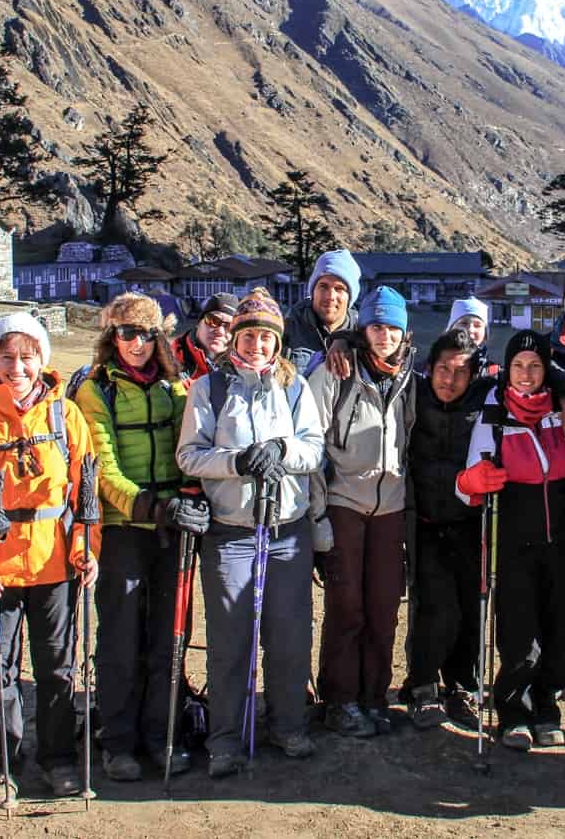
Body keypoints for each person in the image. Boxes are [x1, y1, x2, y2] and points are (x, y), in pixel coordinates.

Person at [0, 312, 99, 808]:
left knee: (57, 668)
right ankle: (2, 766)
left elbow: (85, 494)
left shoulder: (65, 416)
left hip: (55, 564)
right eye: (7, 357)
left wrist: (85, 550)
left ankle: (58, 759)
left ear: (41, 361)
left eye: (27, 357)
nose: (17, 368)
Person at [176, 288, 328, 778]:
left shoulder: (295, 388)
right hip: (232, 531)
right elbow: (191, 455)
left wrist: (281, 452)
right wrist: (237, 462)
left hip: (287, 531)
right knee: (230, 637)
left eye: (267, 336)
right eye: (249, 335)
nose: (258, 344)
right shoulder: (209, 389)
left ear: (277, 341)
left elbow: (314, 450)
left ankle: (287, 724)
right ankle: (226, 736)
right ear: (234, 338)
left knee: (288, 635)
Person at [73, 293, 212, 782]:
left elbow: (189, 449)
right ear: (112, 337)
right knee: (120, 637)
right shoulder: (95, 392)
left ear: (160, 338)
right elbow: (102, 470)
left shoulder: (177, 389)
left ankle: (161, 734)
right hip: (124, 528)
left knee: (167, 639)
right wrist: (155, 505)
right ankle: (117, 740)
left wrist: (190, 495)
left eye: (146, 334)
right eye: (127, 333)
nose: (136, 343)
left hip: (172, 530)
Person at [455, 329, 565, 751]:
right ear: (506, 370)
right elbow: (466, 485)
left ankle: (547, 705)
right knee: (518, 629)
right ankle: (514, 711)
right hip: (514, 536)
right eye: (518, 366)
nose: (527, 374)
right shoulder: (493, 415)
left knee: (562, 627)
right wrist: (472, 480)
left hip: (564, 534)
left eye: (535, 366)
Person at [308, 286, 417, 738]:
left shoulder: (412, 376)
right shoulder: (336, 372)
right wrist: (317, 516)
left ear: (404, 331)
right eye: (376, 326)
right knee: (346, 606)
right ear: (363, 327)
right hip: (344, 503)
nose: (385, 335)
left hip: (391, 506)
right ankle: (340, 700)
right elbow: (311, 445)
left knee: (384, 607)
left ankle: (374, 697)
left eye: (393, 327)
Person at [404, 328, 489, 732]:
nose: (449, 379)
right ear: (430, 367)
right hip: (425, 523)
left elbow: (541, 371)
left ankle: (463, 687)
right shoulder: (413, 393)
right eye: (442, 368)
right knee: (437, 610)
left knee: (471, 611)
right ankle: (422, 686)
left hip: (470, 524)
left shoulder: (485, 397)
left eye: (460, 371)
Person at [283, 249, 360, 370]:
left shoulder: (364, 333)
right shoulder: (288, 328)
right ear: (312, 291)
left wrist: (347, 338)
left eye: (339, 289)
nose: (330, 296)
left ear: (350, 297)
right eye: (323, 286)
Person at [169, 292, 238, 380]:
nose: (220, 331)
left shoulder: (241, 367)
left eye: (230, 326)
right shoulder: (171, 359)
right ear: (199, 323)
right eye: (213, 321)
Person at [447, 297, 497, 377]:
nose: (470, 330)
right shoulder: (432, 369)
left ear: (485, 335)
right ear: (450, 330)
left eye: (477, 325)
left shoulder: (495, 374)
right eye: (463, 323)